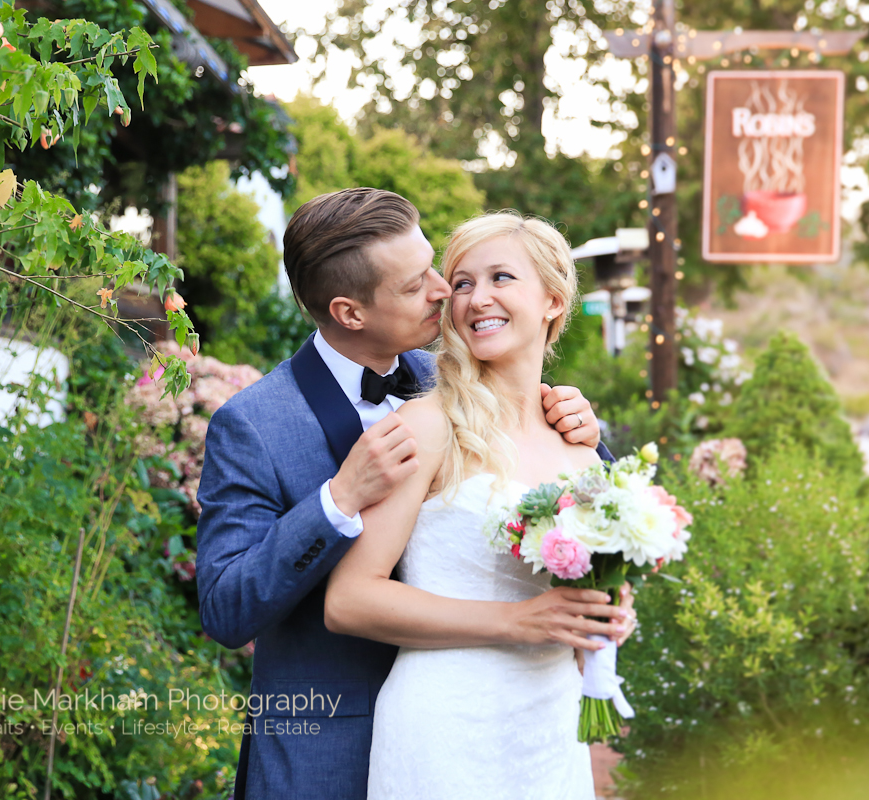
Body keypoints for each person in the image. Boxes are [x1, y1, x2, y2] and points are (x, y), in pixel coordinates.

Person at [195, 189, 636, 800]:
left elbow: (562, 498)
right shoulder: (256, 425)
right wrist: (338, 499)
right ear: (351, 313)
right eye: (415, 284)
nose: (442, 290)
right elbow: (224, 609)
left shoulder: (461, 384)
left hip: (514, 725)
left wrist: (586, 434)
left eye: (435, 266)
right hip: (330, 745)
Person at [325, 211, 617, 799]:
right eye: (461, 283)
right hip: (444, 727)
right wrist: (515, 622)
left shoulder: (582, 452)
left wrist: (608, 620)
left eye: (501, 278)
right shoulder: (427, 426)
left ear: (553, 301)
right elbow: (349, 600)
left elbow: (588, 601)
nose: (477, 297)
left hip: (551, 732)